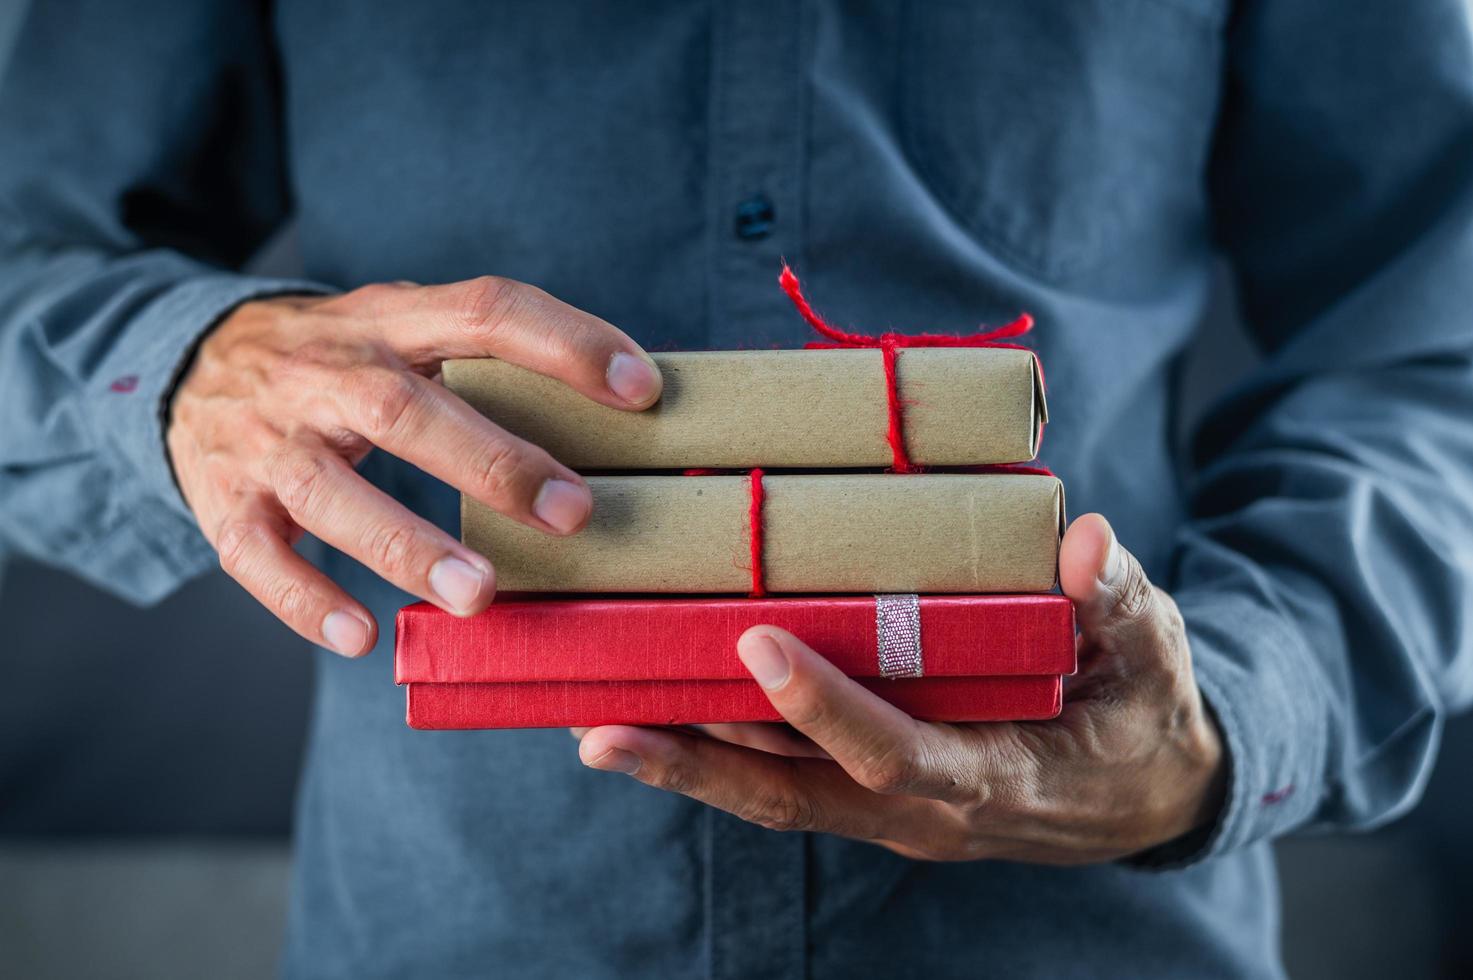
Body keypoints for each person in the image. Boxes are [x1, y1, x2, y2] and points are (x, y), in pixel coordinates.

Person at [2, 2, 1471, 977]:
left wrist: (1236, 719)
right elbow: (22, 255)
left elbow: (1436, 335)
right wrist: (188, 361)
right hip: (462, 924)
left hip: (1082, 915)